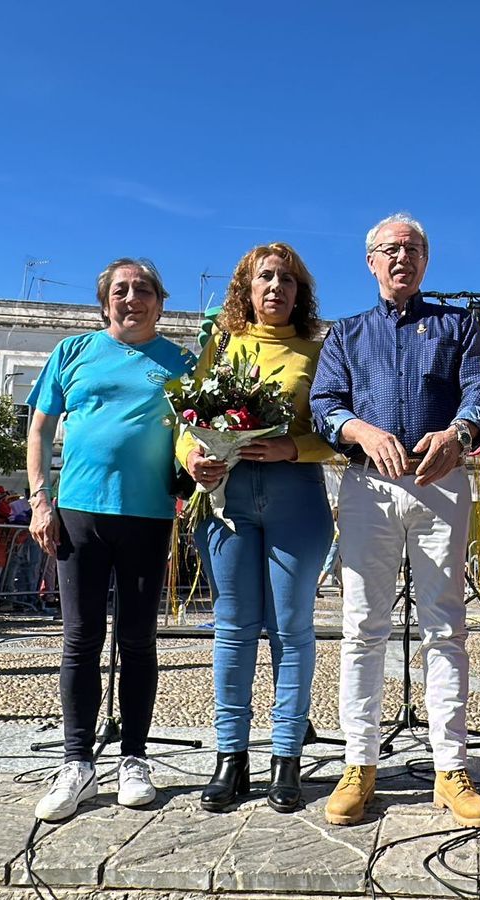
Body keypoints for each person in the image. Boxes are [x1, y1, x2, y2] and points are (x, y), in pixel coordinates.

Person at [309, 213, 480, 830]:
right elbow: (324, 404)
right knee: (363, 625)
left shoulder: (457, 325)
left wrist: (460, 431)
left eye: (412, 248)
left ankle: (451, 766)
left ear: (426, 260)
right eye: (389, 249)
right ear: (370, 261)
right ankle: (359, 762)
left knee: (447, 626)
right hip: (368, 485)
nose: (401, 257)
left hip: (440, 482)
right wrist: (358, 429)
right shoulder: (346, 334)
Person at [26, 257, 195, 822]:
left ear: (160, 301)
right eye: (120, 290)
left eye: (143, 288)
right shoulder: (71, 352)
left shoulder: (182, 363)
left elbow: (199, 430)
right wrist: (38, 499)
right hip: (78, 514)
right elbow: (40, 428)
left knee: (139, 638)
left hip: (148, 516)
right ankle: (76, 762)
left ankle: (134, 757)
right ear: (105, 302)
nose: (132, 297)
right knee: (80, 638)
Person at [181, 242, 336, 815]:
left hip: (297, 499)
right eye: (265, 278)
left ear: (301, 292)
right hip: (228, 500)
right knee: (233, 628)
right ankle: (230, 757)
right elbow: (187, 420)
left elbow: (341, 431)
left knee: (292, 629)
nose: (276, 287)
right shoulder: (220, 347)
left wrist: (295, 447)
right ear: (246, 288)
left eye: (287, 280)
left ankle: (287, 758)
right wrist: (192, 461)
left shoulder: (320, 351)